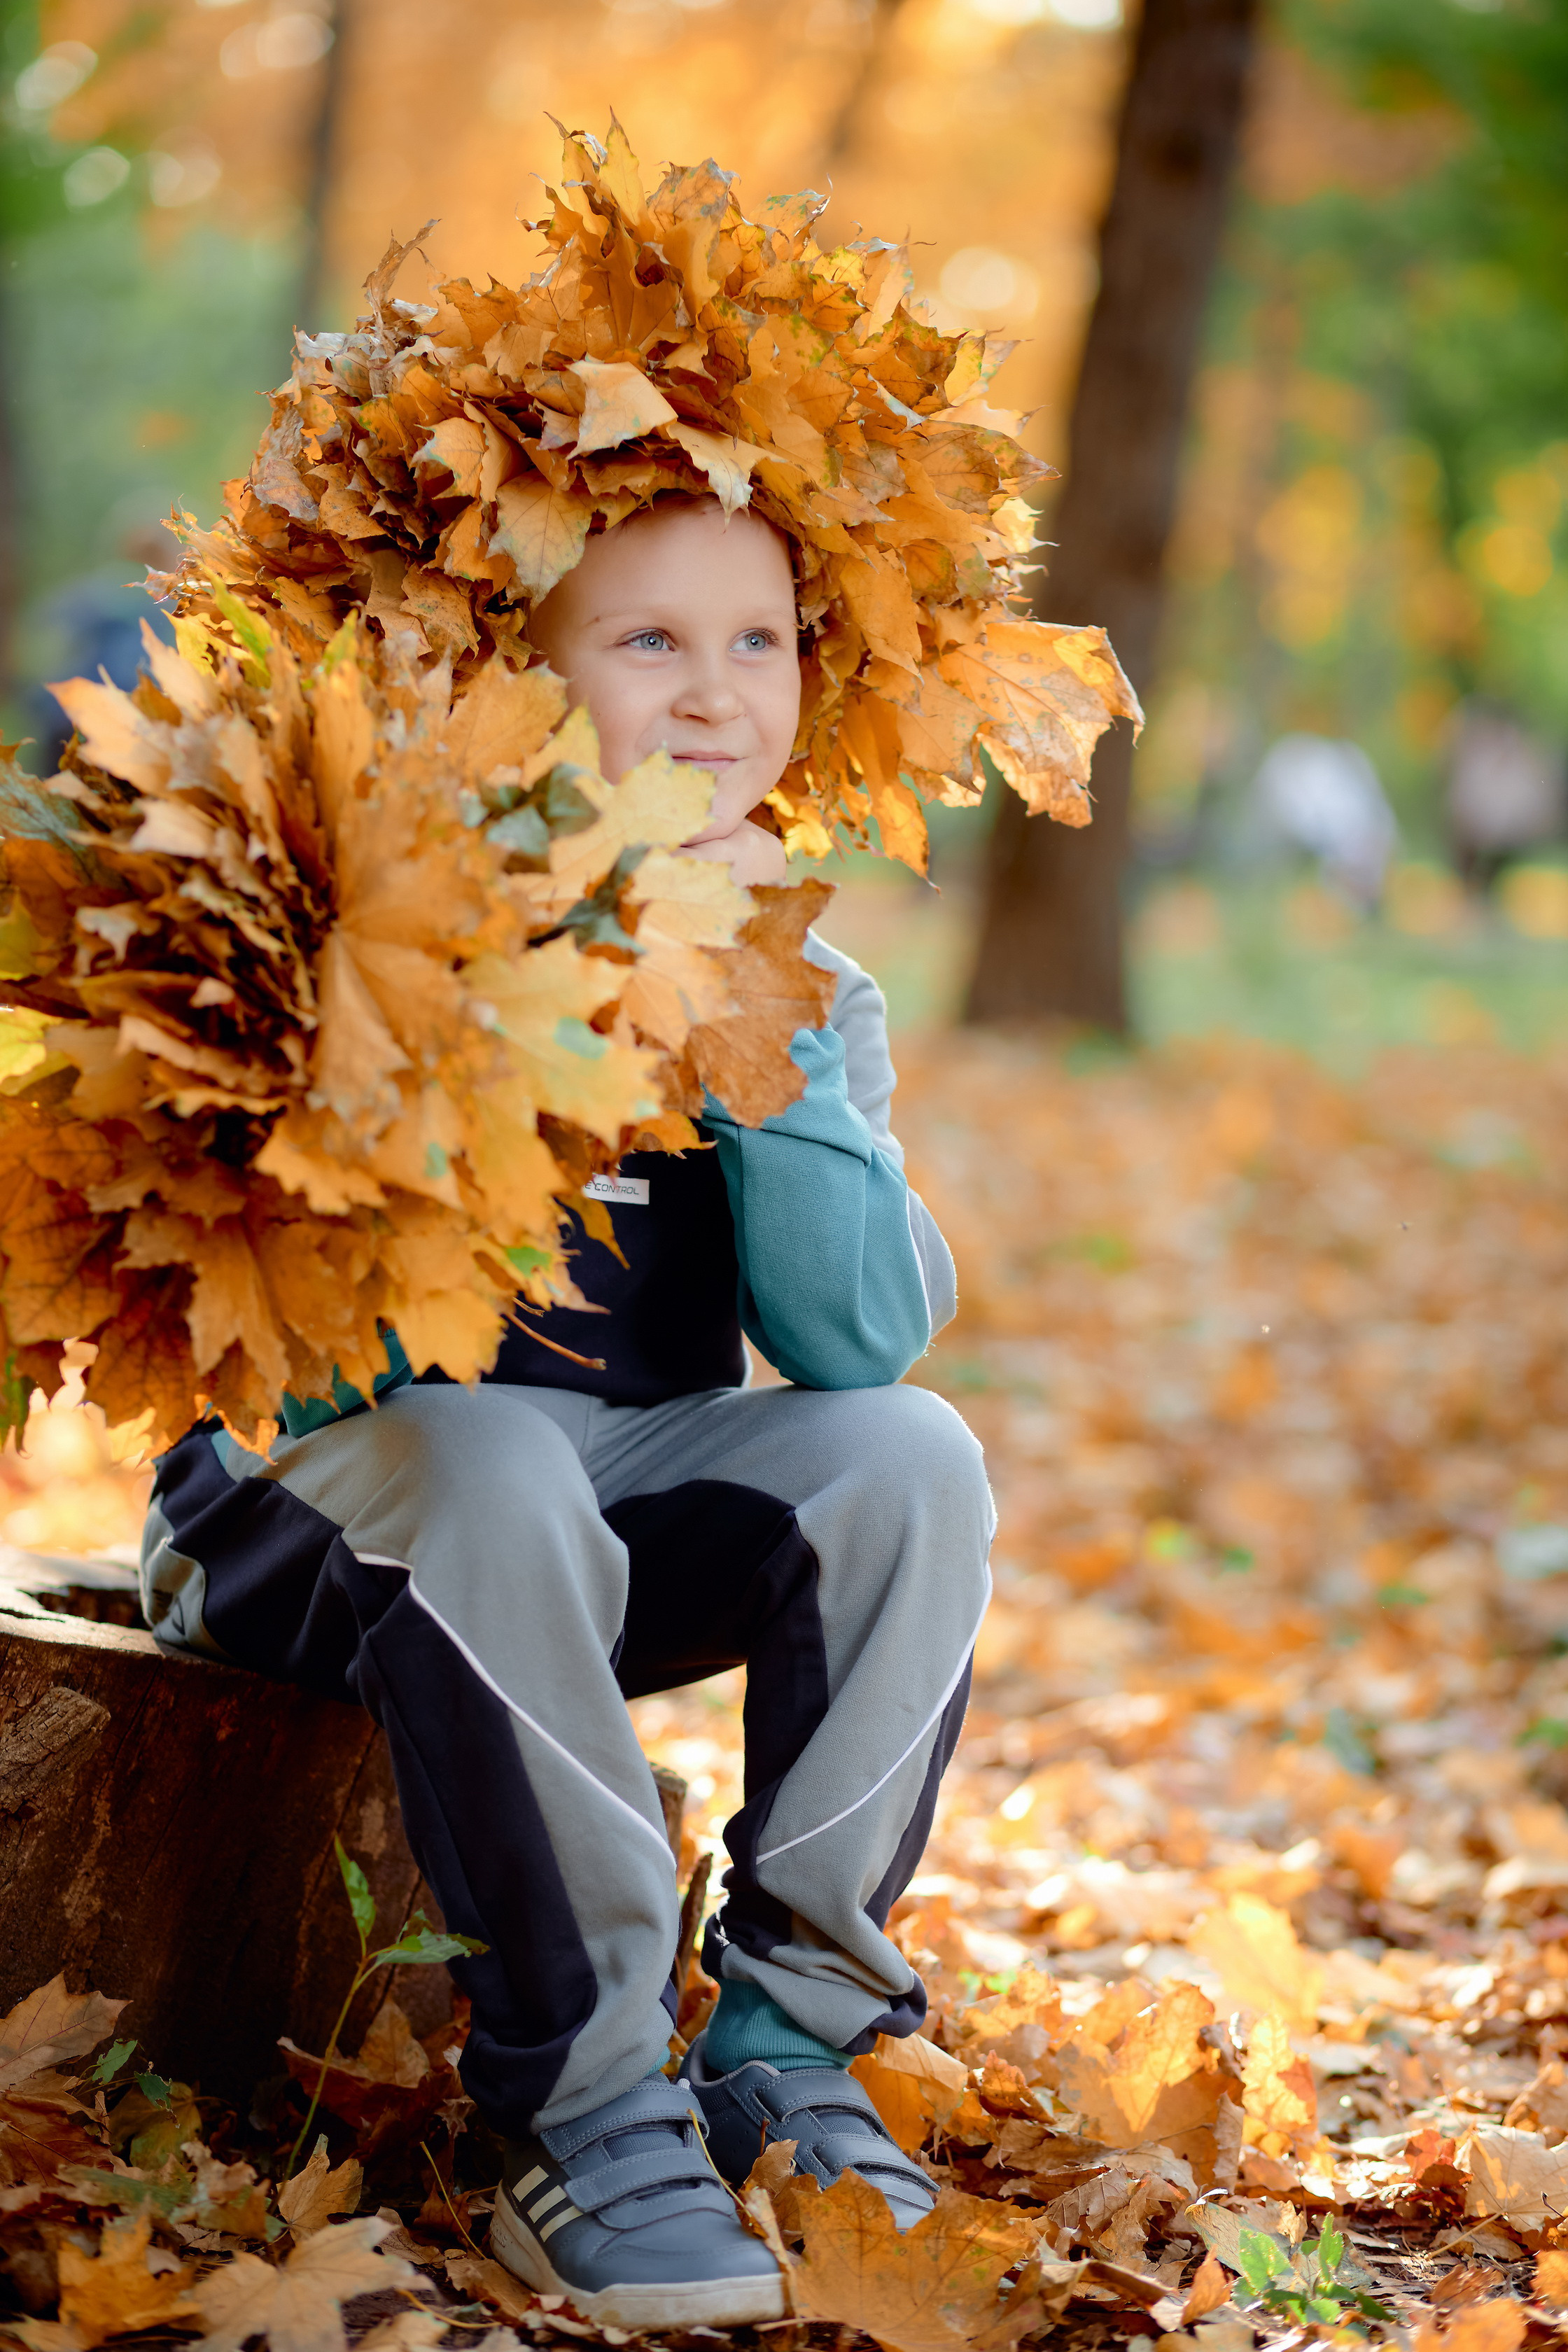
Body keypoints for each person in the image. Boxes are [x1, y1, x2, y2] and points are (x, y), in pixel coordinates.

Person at [141, 493, 995, 2330]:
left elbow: (853, 1338)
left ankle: (790, 2034)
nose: (715, 696)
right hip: (317, 1504)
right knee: (494, 1445)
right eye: (648, 643)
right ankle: (581, 2093)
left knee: (911, 1458)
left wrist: (752, 1022)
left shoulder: (808, 977)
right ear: (510, 682)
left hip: (597, 1519)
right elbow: (316, 1348)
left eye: (756, 641)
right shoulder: (375, 905)